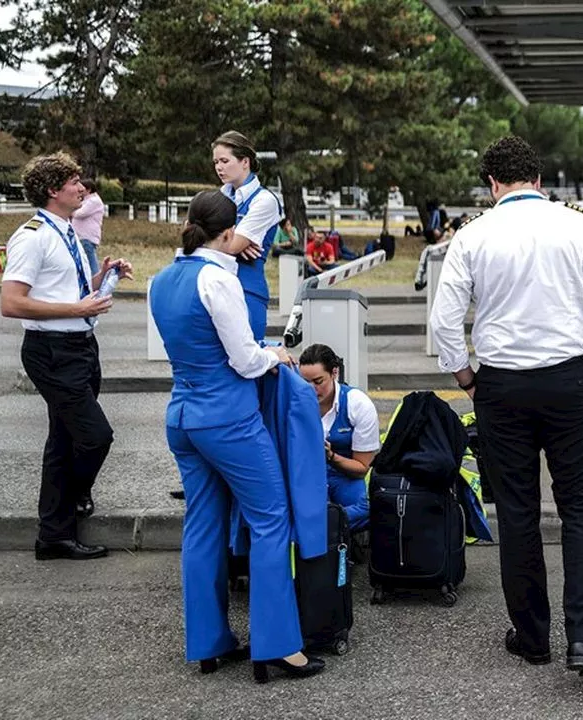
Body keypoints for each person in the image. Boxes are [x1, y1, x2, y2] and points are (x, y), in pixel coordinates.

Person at [429, 136, 583, 680]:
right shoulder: (579, 226)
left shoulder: (472, 235)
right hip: (569, 380)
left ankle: (533, 637)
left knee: (517, 512)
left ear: (492, 185)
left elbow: (444, 324)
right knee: (582, 507)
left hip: (501, 386)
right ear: (539, 179)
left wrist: (468, 378)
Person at [150, 191, 324, 682]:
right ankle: (277, 646)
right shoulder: (217, 279)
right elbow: (245, 360)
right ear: (228, 234)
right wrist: (277, 355)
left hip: (181, 415)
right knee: (271, 520)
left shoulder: (161, 280)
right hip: (227, 418)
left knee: (202, 525)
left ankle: (208, 641)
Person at [0, 152, 130, 560]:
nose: (82, 187)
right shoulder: (33, 235)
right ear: (53, 191)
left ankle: (53, 535)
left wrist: (102, 277)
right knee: (94, 437)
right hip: (52, 351)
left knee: (63, 441)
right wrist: (78, 310)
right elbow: (12, 303)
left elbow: (61, 290)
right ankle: (74, 499)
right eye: (74, 182)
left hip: (80, 347)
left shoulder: (67, 230)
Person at [298, 343, 379, 532]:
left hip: (344, 476)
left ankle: (318, 526)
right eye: (305, 382)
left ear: (334, 373)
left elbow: (361, 469)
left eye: (318, 382)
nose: (311, 389)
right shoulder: (293, 402)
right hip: (306, 476)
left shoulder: (358, 404)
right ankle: (331, 526)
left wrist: (331, 457)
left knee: (371, 507)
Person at [213, 131, 282, 342]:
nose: (219, 167)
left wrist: (211, 239)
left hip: (247, 291)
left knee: (247, 365)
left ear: (245, 162)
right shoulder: (219, 195)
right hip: (216, 289)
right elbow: (189, 234)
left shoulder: (264, 200)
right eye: (216, 162)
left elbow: (232, 245)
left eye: (225, 160)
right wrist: (230, 242)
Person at [73, 178, 106, 275]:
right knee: (85, 264)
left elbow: (80, 213)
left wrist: (70, 210)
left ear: (88, 190)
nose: (79, 191)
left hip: (86, 237)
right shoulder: (87, 201)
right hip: (81, 237)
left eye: (82, 189)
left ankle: (98, 286)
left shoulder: (94, 201)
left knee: (91, 266)